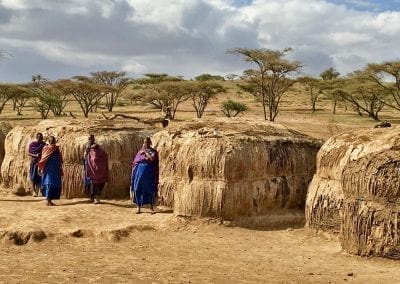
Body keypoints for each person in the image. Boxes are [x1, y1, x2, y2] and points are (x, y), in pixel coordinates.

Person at [131, 136, 159, 214]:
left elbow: (151, 159)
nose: (145, 144)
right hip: (139, 173)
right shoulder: (140, 152)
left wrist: (146, 153)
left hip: (149, 173)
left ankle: (151, 207)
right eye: (144, 142)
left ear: (150, 143)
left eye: (147, 142)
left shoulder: (153, 152)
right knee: (137, 189)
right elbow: (135, 162)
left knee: (149, 189)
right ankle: (138, 207)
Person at [38, 136, 63, 206]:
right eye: (51, 141)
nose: (53, 142)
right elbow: (43, 158)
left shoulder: (57, 149)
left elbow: (60, 158)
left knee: (54, 184)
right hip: (48, 169)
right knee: (49, 183)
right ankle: (48, 200)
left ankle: (50, 200)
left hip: (55, 169)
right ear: (49, 141)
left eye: (54, 140)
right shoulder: (46, 148)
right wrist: (40, 168)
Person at [83, 134, 109, 204]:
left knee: (96, 183)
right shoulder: (87, 148)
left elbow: (102, 156)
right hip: (89, 169)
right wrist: (86, 154)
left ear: (93, 139)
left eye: (91, 139)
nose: (89, 140)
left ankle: (96, 198)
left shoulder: (97, 148)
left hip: (96, 170)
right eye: (89, 139)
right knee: (89, 184)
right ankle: (91, 198)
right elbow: (85, 157)